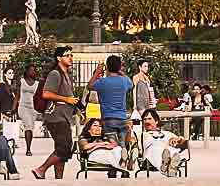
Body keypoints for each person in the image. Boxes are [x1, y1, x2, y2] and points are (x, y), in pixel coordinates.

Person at [33, 46, 82, 179]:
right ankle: (41, 169)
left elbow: (70, 97)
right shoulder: (55, 74)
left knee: (61, 148)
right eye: (67, 55)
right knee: (65, 148)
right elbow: (46, 93)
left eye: (71, 55)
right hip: (55, 117)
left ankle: (58, 179)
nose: (70, 58)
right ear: (59, 58)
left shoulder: (67, 75)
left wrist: (75, 107)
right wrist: (66, 99)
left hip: (64, 116)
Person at [89, 54, 133, 145]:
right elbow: (131, 84)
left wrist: (97, 72)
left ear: (107, 67)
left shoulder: (102, 82)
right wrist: (121, 72)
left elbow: (89, 86)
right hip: (122, 117)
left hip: (108, 118)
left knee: (112, 146)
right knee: (122, 145)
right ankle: (124, 153)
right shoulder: (124, 81)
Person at [137, 107, 190, 176]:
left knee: (172, 150)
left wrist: (180, 139)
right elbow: (139, 150)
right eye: (144, 120)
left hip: (167, 151)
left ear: (156, 121)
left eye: (149, 119)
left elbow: (183, 143)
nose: (147, 122)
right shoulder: (142, 134)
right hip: (150, 155)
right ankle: (167, 166)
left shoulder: (167, 133)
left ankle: (169, 165)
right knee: (156, 149)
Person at [17, 63, 41, 156]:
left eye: (34, 70)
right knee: (28, 125)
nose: (33, 72)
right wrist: (13, 108)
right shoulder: (21, 81)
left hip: (33, 109)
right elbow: (17, 95)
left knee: (31, 127)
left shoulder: (37, 84)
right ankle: (28, 149)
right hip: (23, 107)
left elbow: (39, 97)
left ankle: (29, 146)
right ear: (26, 72)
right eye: (31, 70)